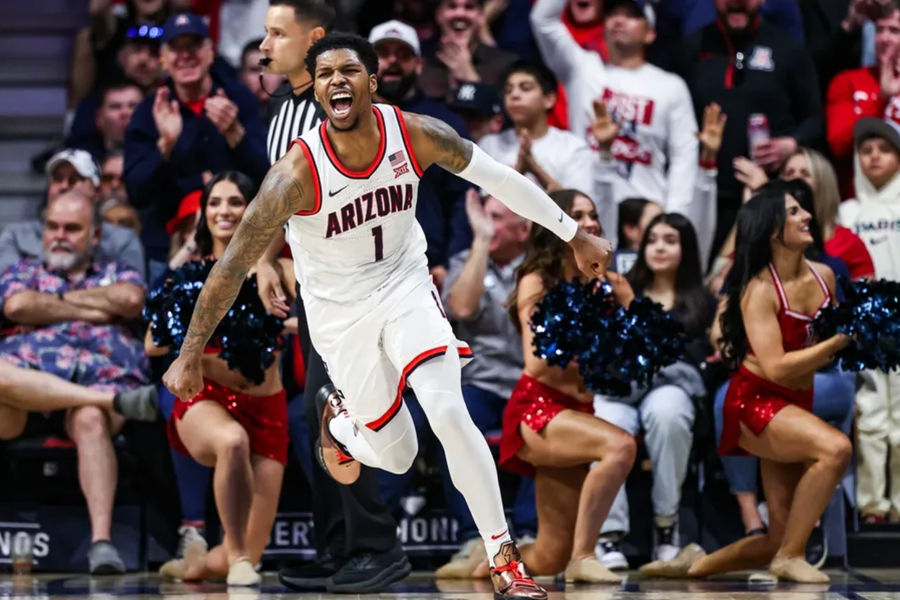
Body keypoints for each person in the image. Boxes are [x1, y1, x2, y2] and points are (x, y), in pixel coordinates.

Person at [162, 32, 612, 600]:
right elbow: (229, 266)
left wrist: (573, 234)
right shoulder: (294, 174)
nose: (335, 82)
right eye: (323, 75)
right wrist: (188, 353)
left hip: (404, 287)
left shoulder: (416, 133)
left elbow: (498, 177)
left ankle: (505, 560)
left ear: (371, 82)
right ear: (317, 91)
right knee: (397, 457)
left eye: (347, 70)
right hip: (340, 316)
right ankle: (343, 425)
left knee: (448, 411)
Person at [256, 3, 412, 593]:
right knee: (318, 415)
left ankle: (376, 547)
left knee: (346, 411)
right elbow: (281, 199)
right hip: (315, 288)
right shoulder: (280, 105)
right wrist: (271, 257)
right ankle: (339, 547)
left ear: (314, 39)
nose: (265, 45)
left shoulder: (339, 112)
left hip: (358, 288)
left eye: (277, 34)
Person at [640, 180, 852, 583]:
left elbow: (834, 343)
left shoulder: (824, 275)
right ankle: (791, 557)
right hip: (754, 404)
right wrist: (841, 341)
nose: (807, 215)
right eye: (793, 212)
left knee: (777, 537)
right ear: (773, 230)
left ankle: (696, 563)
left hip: (795, 401)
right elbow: (776, 369)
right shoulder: (758, 290)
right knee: (836, 449)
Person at [0, 190, 153, 574]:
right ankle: (115, 401)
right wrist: (95, 306)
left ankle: (101, 543)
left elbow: (131, 300)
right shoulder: (24, 271)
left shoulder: (118, 269)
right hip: (26, 388)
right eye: (53, 227)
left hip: (102, 375)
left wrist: (51, 303)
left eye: (72, 228)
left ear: (95, 236)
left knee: (89, 419)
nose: (60, 235)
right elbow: (17, 305)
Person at [151, 171, 292, 586]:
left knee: (246, 553)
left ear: (252, 209)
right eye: (215, 202)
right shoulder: (187, 276)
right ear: (203, 214)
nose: (224, 211)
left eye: (235, 201)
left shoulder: (280, 268)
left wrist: (265, 263)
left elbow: (287, 226)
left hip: (268, 407)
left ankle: (194, 564)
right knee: (232, 442)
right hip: (207, 401)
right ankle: (234, 558)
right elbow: (152, 344)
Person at [499, 188, 635, 583]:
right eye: (578, 215)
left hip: (577, 413)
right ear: (556, 224)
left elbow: (631, 361)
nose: (591, 223)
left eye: (592, 215)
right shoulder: (538, 280)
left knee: (547, 557)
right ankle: (587, 555)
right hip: (539, 409)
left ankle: (481, 568)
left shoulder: (604, 286)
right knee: (621, 445)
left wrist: (627, 308)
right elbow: (537, 363)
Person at [594, 213, 714, 568]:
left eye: (671, 240)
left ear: (686, 249)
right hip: (622, 385)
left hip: (672, 386)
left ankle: (666, 524)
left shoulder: (700, 300)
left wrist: (634, 310)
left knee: (668, 413)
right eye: (654, 239)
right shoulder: (617, 287)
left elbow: (687, 357)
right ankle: (608, 534)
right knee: (607, 421)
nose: (660, 247)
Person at [433, 190, 535, 578]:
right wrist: (479, 240)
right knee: (453, 418)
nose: (486, 223)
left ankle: (528, 532)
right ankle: (472, 537)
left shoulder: (538, 269)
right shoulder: (467, 261)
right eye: (483, 215)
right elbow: (461, 307)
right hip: (481, 382)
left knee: (542, 420)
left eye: (495, 217)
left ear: (523, 229)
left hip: (527, 380)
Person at [673, 0, 825, 256]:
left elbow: (815, 119)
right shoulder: (691, 48)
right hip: (707, 194)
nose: (737, 3)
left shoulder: (787, 49)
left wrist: (791, 143)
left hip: (769, 194)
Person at [124, 12, 269, 279]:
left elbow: (268, 177)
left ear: (211, 53)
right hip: (166, 248)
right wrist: (165, 146)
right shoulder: (150, 110)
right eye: (176, 48)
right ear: (163, 60)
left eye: (193, 46)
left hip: (238, 245)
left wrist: (235, 134)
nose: (186, 55)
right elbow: (136, 191)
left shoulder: (239, 99)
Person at [531, 0, 700, 224]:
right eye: (612, 14)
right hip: (586, 209)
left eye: (631, 15)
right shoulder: (582, 69)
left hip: (646, 214)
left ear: (650, 33)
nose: (619, 20)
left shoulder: (670, 86)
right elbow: (542, 19)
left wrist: (674, 216)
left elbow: (684, 156)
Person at [369, 19, 473, 284]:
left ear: (419, 64)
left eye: (403, 55)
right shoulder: (344, 122)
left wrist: (452, 262)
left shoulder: (444, 123)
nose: (392, 61)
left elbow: (463, 200)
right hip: (362, 269)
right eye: (383, 54)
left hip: (428, 269)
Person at [840, 117, 900, 523]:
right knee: (872, 411)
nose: (874, 156)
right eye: (866, 150)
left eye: (883, 148)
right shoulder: (847, 211)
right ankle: (872, 504)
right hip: (867, 323)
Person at [0, 149, 146, 282]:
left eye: (74, 179)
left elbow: (132, 298)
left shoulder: (123, 240)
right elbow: (10, 297)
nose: (64, 186)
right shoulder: (15, 236)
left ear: (96, 191)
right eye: (57, 179)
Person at [478, 60, 594, 197]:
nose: (514, 95)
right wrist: (519, 170)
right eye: (508, 90)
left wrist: (535, 168)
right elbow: (485, 207)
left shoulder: (573, 147)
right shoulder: (489, 145)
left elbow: (579, 208)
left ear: (549, 99)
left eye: (525, 88)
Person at [419, 0, 518, 102]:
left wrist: (471, 80)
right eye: (452, 6)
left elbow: (507, 112)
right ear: (439, 15)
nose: (460, 14)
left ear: (480, 17)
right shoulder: (421, 65)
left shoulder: (505, 65)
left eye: (469, 7)